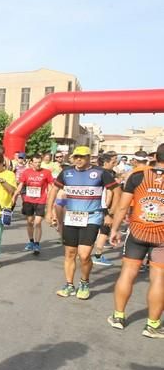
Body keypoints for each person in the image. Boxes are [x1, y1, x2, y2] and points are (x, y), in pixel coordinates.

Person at [47, 146, 120, 300]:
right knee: (70, 253)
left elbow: (117, 191)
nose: (78, 160)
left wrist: (111, 213)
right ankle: (69, 284)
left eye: (82, 157)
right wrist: (49, 211)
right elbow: (53, 190)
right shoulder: (67, 172)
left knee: (85, 255)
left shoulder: (101, 173)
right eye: (76, 157)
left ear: (88, 157)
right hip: (72, 217)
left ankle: (84, 282)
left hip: (92, 218)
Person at [107, 143, 164, 338]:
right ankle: (152, 325)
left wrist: (114, 230)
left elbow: (123, 207)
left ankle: (118, 316)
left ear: (155, 156)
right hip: (162, 237)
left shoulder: (138, 176)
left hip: (137, 232)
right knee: (159, 278)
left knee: (128, 272)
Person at [14, 153, 54, 255]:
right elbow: (21, 185)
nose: (38, 164)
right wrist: (14, 196)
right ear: (31, 163)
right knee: (30, 222)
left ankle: (37, 244)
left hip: (41, 201)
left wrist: (51, 197)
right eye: (36, 162)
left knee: (38, 223)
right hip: (28, 201)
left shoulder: (46, 172)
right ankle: (31, 241)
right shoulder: (26, 172)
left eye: (39, 162)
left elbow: (51, 185)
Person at [91, 152, 119, 266]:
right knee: (103, 231)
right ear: (106, 162)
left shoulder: (95, 171)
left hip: (94, 206)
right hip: (104, 207)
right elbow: (109, 193)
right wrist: (108, 209)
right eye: (113, 162)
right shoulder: (106, 174)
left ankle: (82, 254)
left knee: (93, 230)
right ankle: (97, 256)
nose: (115, 164)